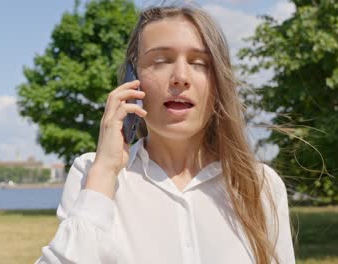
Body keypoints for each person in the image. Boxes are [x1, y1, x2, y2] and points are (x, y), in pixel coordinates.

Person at [36, 4, 295, 264]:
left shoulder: (261, 185)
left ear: (219, 83)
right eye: (160, 61)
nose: (180, 77)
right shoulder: (91, 173)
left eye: (199, 63)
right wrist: (104, 171)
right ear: (132, 79)